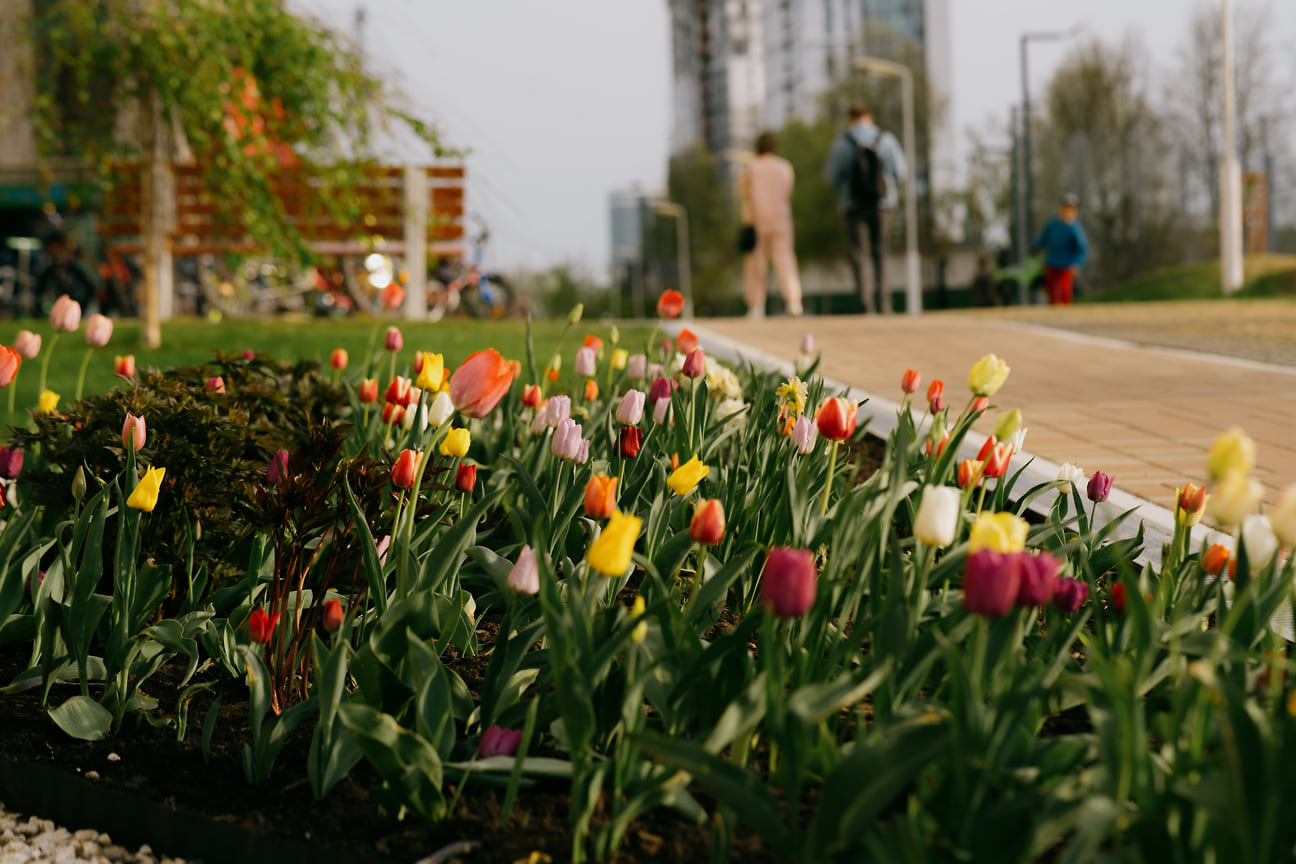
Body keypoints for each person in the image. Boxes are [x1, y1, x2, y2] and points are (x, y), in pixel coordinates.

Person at [824, 103, 906, 314]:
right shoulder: (886, 139)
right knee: (881, 251)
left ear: (850, 119)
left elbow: (831, 177)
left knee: (859, 253)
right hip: (883, 204)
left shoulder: (843, 142)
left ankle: (865, 304)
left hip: (853, 205)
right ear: (871, 117)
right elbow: (900, 172)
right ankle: (885, 302)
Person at [739, 131, 803, 318]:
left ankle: (756, 306)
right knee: (786, 261)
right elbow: (788, 192)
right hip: (782, 220)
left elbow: (743, 192)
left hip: (756, 220)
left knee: (755, 265)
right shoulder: (785, 167)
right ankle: (793, 301)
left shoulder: (752, 167)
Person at [1032, 193, 1088, 305]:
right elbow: (1044, 238)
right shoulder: (1053, 224)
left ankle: (1065, 317)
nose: (1067, 211)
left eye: (1071, 209)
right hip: (1051, 264)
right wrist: (1035, 246)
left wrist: (1077, 264)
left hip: (1066, 267)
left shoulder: (1075, 229)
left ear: (1075, 211)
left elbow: (1082, 249)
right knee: (1053, 293)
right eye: (1065, 208)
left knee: (1065, 293)